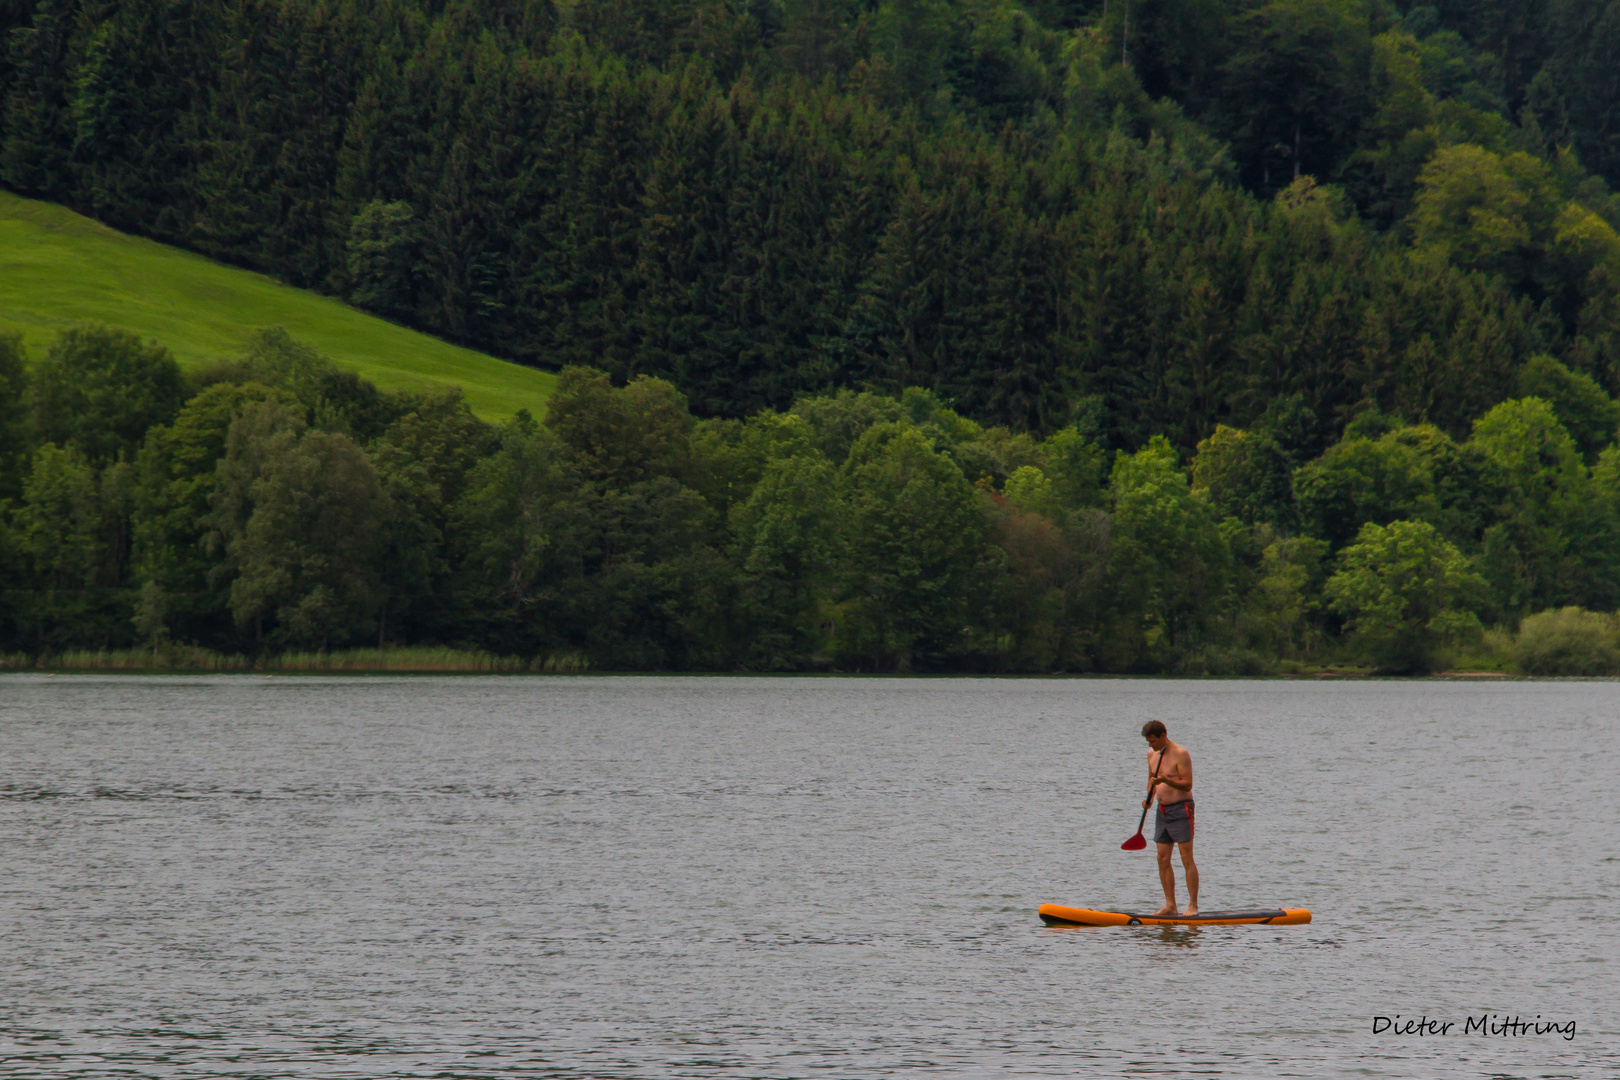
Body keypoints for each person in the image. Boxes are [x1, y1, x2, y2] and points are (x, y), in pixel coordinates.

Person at [1141, 720, 1197, 917]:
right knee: (1162, 858)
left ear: (1164, 735)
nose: (1151, 746)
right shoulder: (1151, 754)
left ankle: (1192, 906)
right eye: (1148, 742)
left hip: (1182, 809)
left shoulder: (1181, 754)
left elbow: (1187, 784)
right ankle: (1170, 906)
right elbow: (1151, 778)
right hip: (1161, 811)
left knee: (1186, 857)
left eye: (1154, 741)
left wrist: (1166, 780)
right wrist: (1148, 797)